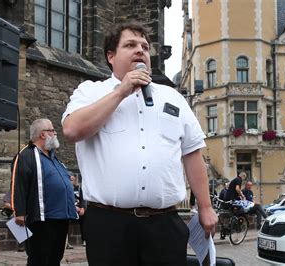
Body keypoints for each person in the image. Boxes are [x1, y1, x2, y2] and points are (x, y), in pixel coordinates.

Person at [61, 21, 217, 265]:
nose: (140, 50)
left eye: (144, 46)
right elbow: (72, 130)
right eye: (130, 45)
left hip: (164, 223)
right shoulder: (91, 92)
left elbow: (192, 153)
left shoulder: (172, 97)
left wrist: (206, 207)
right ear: (110, 56)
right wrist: (121, 91)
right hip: (109, 224)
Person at [11, 118, 78, 266]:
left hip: (61, 218)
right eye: (52, 130)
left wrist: (72, 200)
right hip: (42, 219)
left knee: (55, 258)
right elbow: (18, 183)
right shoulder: (26, 155)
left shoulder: (54, 157)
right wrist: (19, 212)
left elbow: (62, 180)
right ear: (43, 134)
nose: (55, 133)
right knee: (39, 259)